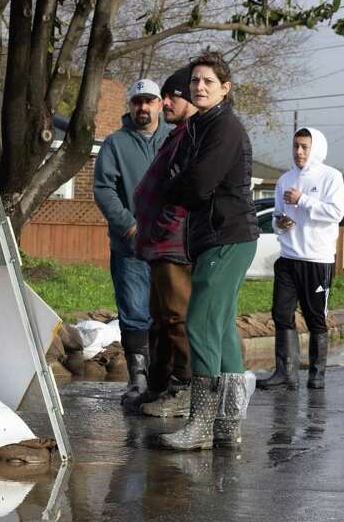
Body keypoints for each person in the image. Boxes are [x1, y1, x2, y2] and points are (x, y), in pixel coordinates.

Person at [157, 51, 259, 450]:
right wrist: (179, 180)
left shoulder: (225, 128)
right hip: (213, 234)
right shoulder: (200, 126)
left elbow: (196, 184)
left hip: (227, 234)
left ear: (225, 89)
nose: (199, 87)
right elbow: (180, 175)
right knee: (221, 328)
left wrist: (175, 185)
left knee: (199, 323)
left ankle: (200, 424)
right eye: (195, 81)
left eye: (208, 82)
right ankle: (227, 426)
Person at [94, 78, 171, 406]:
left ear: (159, 105)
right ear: (131, 106)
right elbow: (103, 189)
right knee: (135, 311)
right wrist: (127, 226)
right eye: (137, 102)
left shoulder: (174, 139)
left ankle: (163, 379)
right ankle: (137, 379)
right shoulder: (115, 144)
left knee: (168, 313)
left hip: (170, 246)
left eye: (149, 101)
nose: (143, 107)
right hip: (131, 246)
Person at [257, 127, 344, 391]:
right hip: (288, 257)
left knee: (315, 317)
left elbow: (335, 214)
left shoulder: (331, 177)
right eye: (296, 146)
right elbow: (277, 217)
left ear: (316, 147)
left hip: (317, 260)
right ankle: (285, 372)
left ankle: (316, 374)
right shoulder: (285, 179)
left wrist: (303, 200)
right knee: (281, 314)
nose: (299, 152)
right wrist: (280, 223)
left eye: (304, 146)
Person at [132, 68, 197, 417]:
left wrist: (165, 225)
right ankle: (157, 386)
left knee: (176, 318)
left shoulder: (191, 136)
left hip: (172, 243)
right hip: (157, 244)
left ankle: (182, 387)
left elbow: (186, 193)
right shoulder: (176, 135)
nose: (165, 102)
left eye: (172, 96)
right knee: (159, 319)